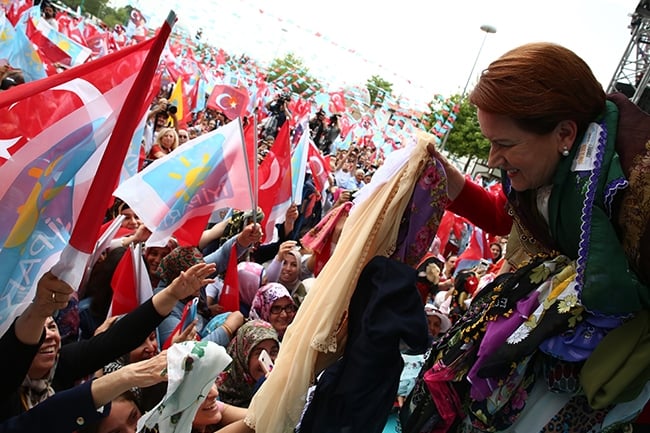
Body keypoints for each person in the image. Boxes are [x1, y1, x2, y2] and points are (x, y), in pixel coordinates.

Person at [402, 42, 650, 432]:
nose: (491, 159)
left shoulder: (639, 187)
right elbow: (507, 215)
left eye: (504, 144)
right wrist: (445, 176)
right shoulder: (557, 167)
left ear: (564, 133)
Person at [0, 262, 215, 423]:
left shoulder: (61, 365)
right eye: (39, 328)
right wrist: (126, 377)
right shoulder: (6, 391)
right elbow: (42, 419)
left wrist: (172, 293)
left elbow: (117, 339)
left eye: (52, 326)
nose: (48, 336)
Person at [216, 320, 280, 408]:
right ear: (242, 354)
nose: (268, 359)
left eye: (274, 352)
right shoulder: (216, 396)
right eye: (260, 353)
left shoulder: (282, 387)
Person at [265, 241, 308, 307]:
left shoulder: (303, 288)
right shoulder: (268, 285)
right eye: (284, 263)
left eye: (294, 265)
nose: (288, 269)